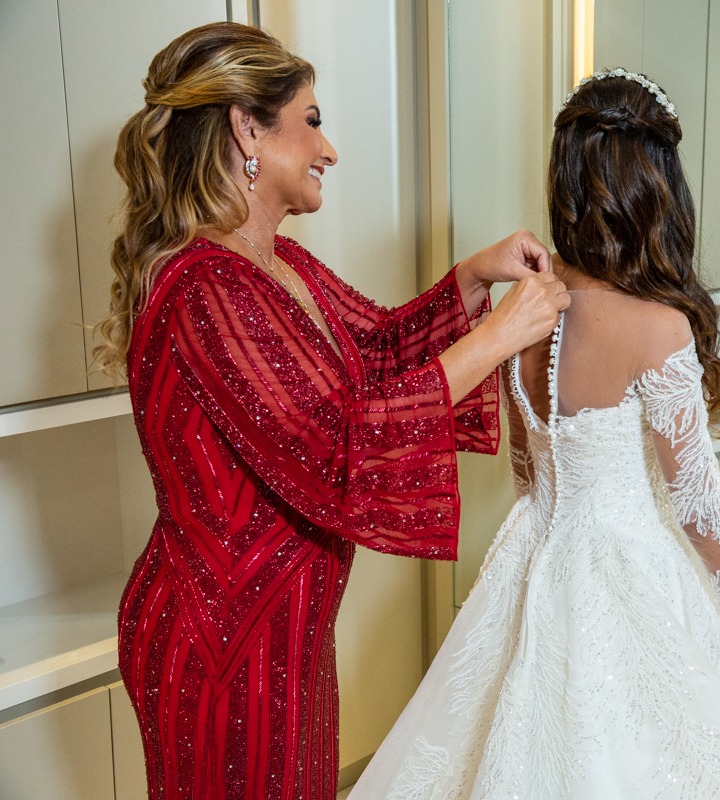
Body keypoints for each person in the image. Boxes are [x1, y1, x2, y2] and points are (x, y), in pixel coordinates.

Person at [96, 23, 569, 800]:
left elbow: (376, 355)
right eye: (312, 121)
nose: (330, 150)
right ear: (246, 128)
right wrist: (498, 338)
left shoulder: (277, 263)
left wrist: (472, 278)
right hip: (224, 644)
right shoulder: (206, 287)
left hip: (286, 633)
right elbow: (338, 438)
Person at [349, 70, 720, 799]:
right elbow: (698, 509)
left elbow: (525, 469)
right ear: (658, 185)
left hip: (533, 552)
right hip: (629, 568)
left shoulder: (527, 306)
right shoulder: (657, 326)